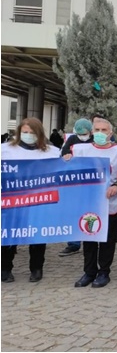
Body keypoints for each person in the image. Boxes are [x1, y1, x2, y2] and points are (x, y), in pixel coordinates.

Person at [69, 118, 117, 288]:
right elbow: (66, 170)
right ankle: (89, 272)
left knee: (107, 240)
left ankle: (104, 272)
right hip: (87, 204)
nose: (100, 133)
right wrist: (66, 159)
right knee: (88, 237)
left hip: (108, 203)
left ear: (110, 133)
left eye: (104, 130)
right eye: (97, 130)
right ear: (91, 132)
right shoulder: (80, 150)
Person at [1, 118, 60, 283]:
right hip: (11, 201)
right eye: (24, 132)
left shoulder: (52, 152)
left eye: (32, 132)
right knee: (8, 235)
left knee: (38, 236)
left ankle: (36, 268)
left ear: (39, 133)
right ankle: (5, 268)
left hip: (39, 200)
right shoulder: (4, 150)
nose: (27, 135)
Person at [58, 118, 95, 257]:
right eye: (80, 134)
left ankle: (91, 237)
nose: (82, 136)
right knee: (73, 212)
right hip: (75, 183)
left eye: (84, 133)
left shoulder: (96, 139)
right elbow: (64, 154)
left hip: (92, 184)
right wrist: (66, 156)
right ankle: (73, 244)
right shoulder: (72, 139)